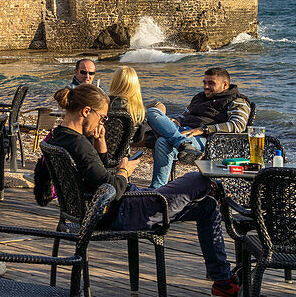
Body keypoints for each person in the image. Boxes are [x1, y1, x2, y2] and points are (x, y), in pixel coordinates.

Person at [38, 84, 239, 297]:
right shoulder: (78, 144)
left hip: (116, 207)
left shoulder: (60, 136)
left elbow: (97, 178)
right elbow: (112, 189)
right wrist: (124, 170)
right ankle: (224, 199)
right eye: (102, 117)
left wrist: (101, 142)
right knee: (200, 179)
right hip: (124, 210)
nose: (102, 122)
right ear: (86, 111)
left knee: (207, 207)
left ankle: (223, 281)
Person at [146, 67, 250, 189]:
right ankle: (183, 144)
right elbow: (183, 116)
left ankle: (156, 189)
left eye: (211, 83)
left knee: (163, 141)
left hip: (207, 140)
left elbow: (237, 125)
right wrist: (175, 121)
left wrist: (203, 129)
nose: (206, 86)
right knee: (153, 112)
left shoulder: (237, 100)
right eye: (204, 82)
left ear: (225, 84)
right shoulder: (199, 97)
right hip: (183, 133)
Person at [108, 65, 147, 145]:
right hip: (122, 152)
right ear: (135, 85)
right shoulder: (140, 110)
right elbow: (138, 138)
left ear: (114, 82)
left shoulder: (104, 104)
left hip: (100, 150)